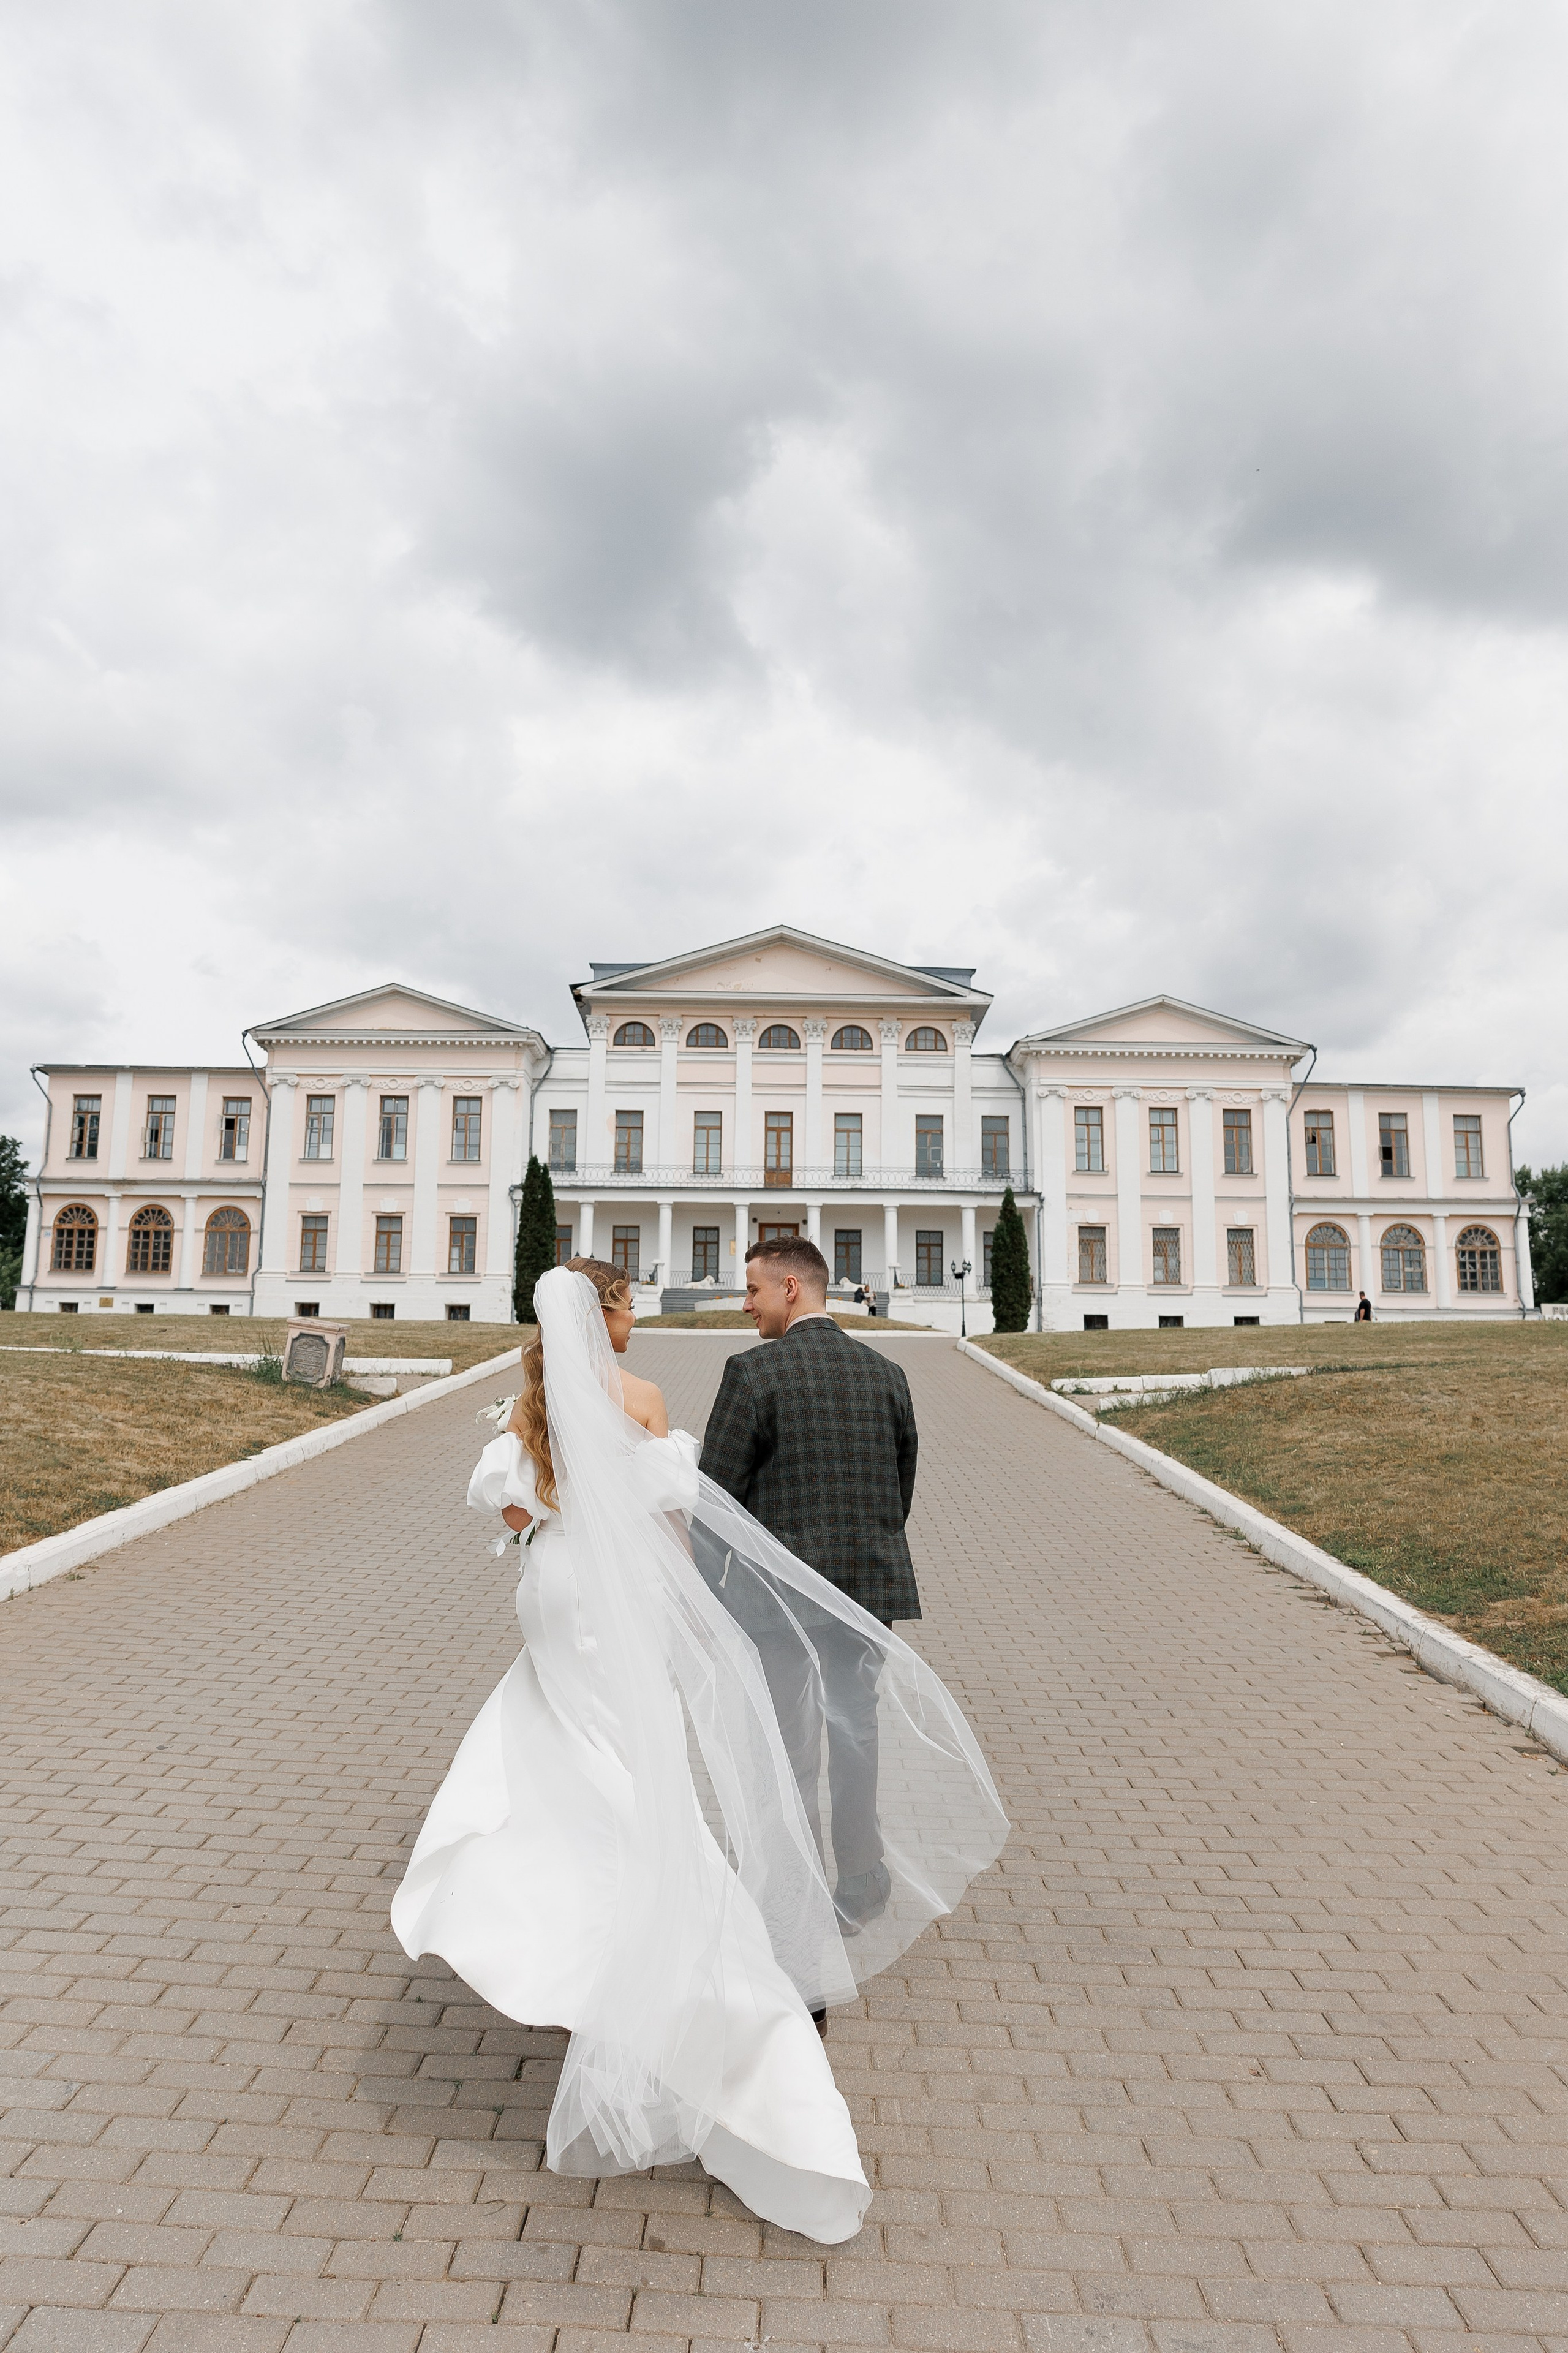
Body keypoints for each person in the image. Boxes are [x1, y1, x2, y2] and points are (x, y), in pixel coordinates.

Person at [391, 1259, 1005, 2246]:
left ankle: (564, 1914)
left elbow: (515, 1511)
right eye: (629, 1303)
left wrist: (561, 1512)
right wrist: (697, 1605)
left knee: (571, 1743)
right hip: (703, 1592)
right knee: (693, 1757)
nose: (638, 1315)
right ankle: (786, 1904)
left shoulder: (534, 1400)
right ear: (605, 1315)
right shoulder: (658, 1395)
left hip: (556, 1593)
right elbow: (694, 1511)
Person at [699, 1237, 918, 1940]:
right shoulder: (887, 1373)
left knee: (787, 1742)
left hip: (777, 1599)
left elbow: (715, 1499)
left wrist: (697, 1590)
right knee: (856, 1731)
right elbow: (900, 1487)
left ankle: (792, 1883)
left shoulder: (752, 1372)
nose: (745, 1304)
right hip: (866, 1587)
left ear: (790, 1288)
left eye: (752, 1290)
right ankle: (861, 1878)